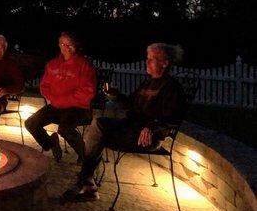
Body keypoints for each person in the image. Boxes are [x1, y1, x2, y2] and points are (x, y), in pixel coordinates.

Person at [62, 43, 187, 202]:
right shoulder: (147, 84)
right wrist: (115, 95)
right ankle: (87, 183)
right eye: (147, 58)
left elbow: (174, 117)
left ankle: (87, 184)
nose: (147, 62)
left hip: (147, 138)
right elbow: (131, 105)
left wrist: (152, 127)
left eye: (153, 59)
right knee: (98, 125)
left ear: (165, 62)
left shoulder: (172, 87)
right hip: (131, 128)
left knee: (96, 136)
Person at [25, 32, 96, 163]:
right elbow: (44, 86)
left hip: (78, 108)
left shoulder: (84, 65)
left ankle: (86, 156)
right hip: (56, 106)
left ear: (76, 46)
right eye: (63, 44)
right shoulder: (52, 65)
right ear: (59, 45)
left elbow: (87, 92)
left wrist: (61, 100)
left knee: (65, 129)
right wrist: (52, 98)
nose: (66, 47)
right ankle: (51, 143)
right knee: (30, 123)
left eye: (70, 44)